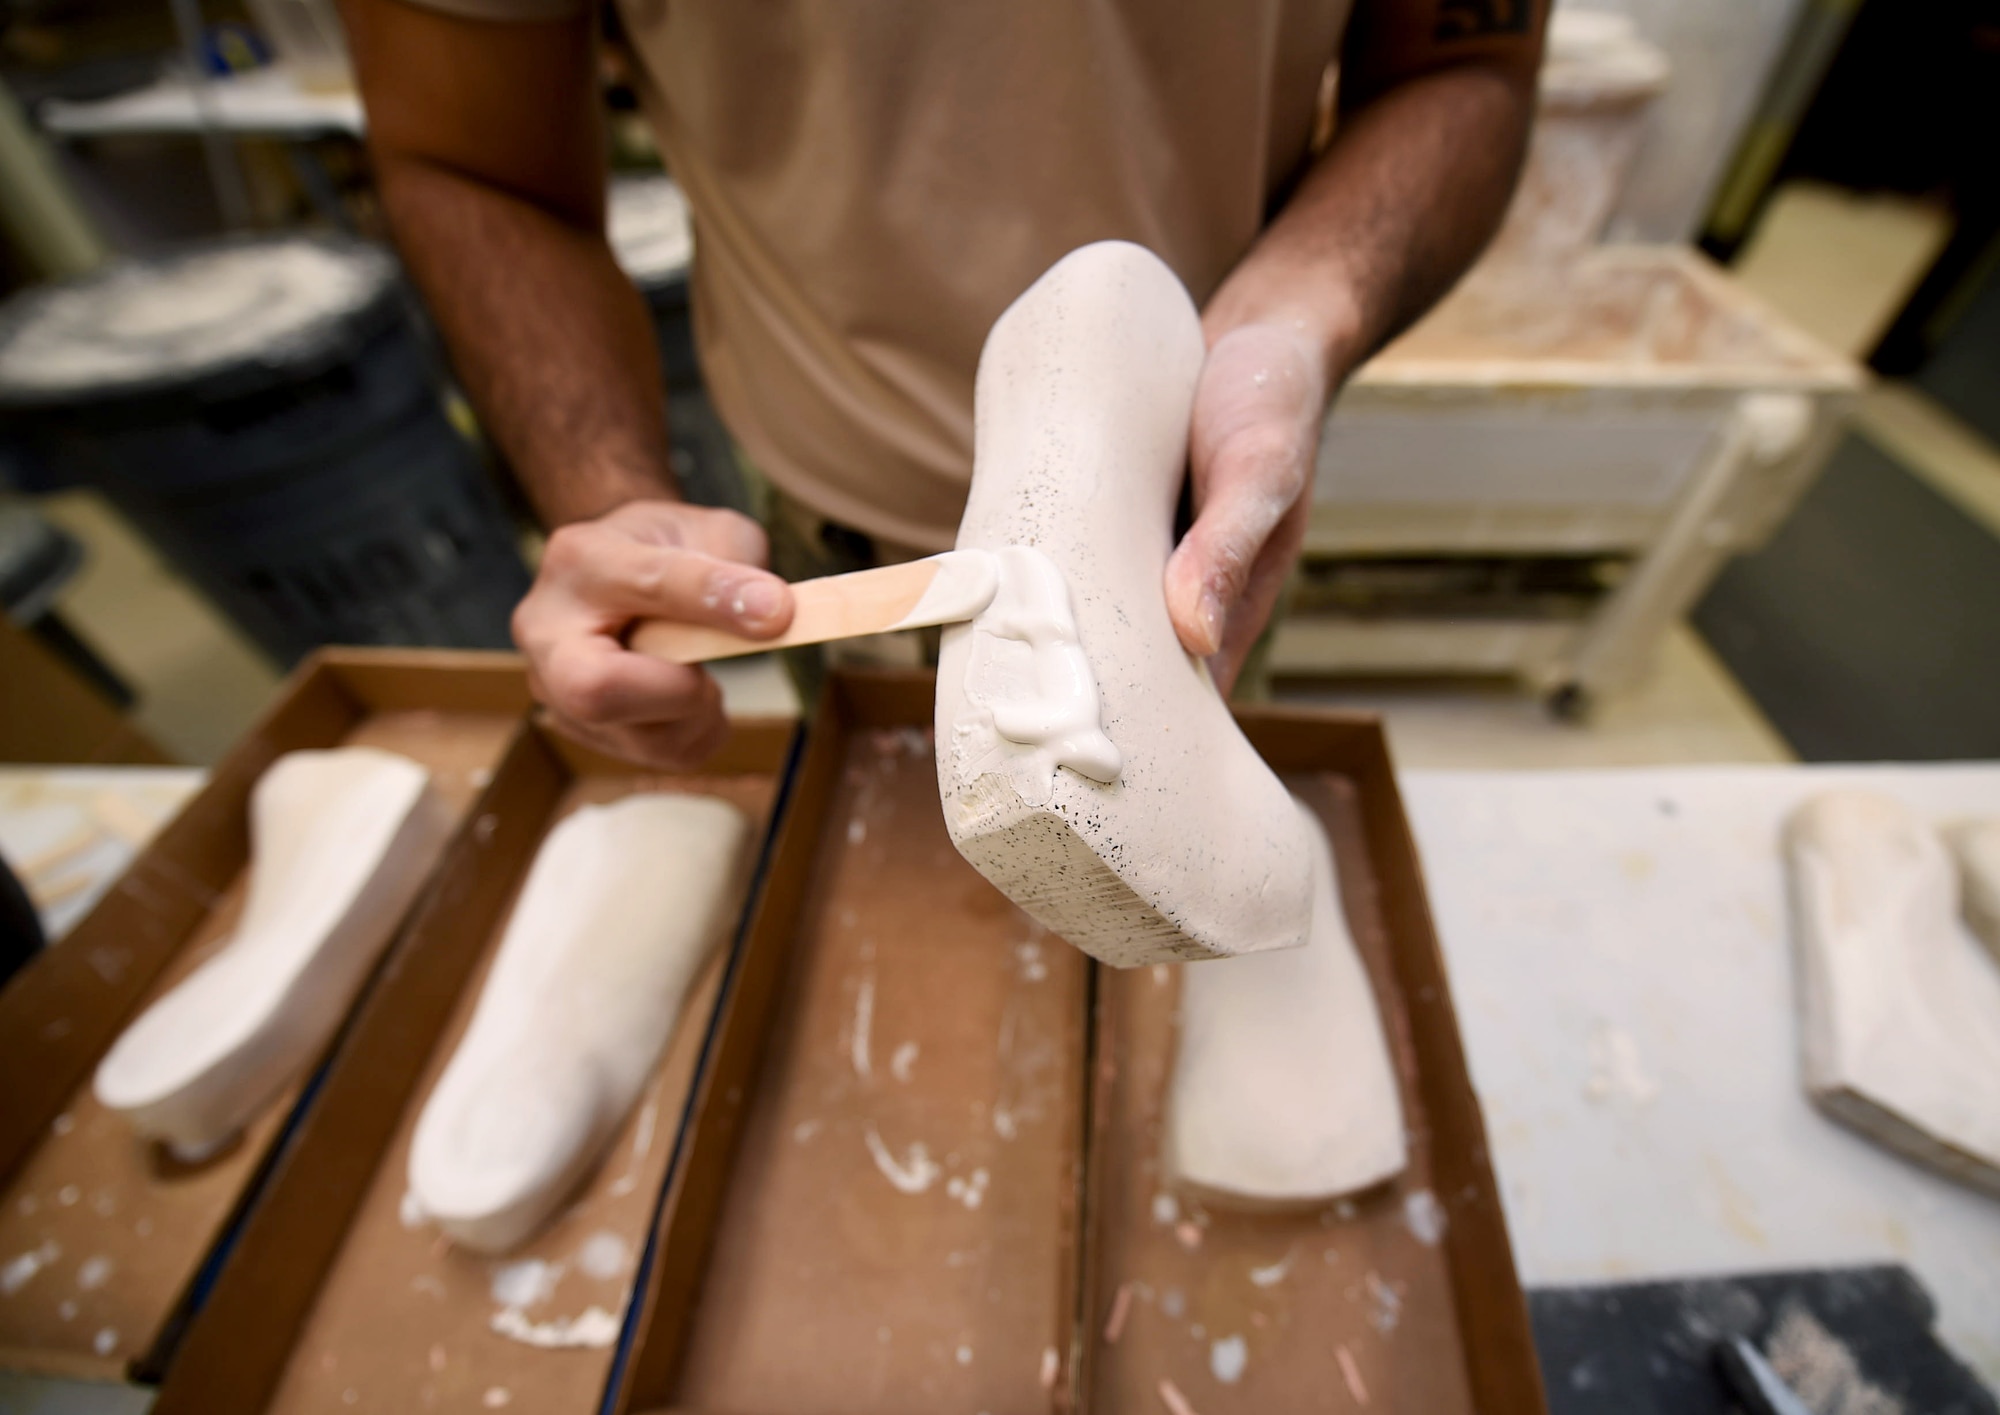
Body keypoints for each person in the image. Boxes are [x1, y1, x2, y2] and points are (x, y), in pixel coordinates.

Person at [340, 0, 1546, 768]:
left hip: (1199, 499)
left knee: (1167, 891)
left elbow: (1464, 59)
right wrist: (606, 491)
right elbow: (467, 156)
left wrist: (1295, 318)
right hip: (829, 517)